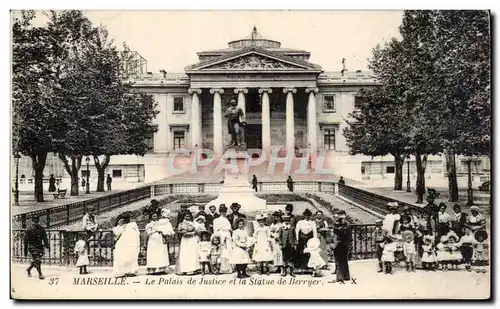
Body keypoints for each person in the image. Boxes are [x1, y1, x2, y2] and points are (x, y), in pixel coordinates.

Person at [112, 212, 140, 277]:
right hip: (122, 244)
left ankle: (131, 271)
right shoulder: (117, 228)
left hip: (131, 243)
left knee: (131, 257)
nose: (127, 220)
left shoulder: (133, 225)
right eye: (124, 219)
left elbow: (137, 233)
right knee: (121, 257)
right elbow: (117, 233)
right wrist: (121, 226)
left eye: (127, 219)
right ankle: (120, 272)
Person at [295, 209, 317, 273]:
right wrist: (297, 240)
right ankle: (301, 267)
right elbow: (297, 231)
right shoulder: (300, 222)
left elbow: (314, 232)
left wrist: (315, 240)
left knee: (309, 252)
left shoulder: (312, 222)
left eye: (308, 216)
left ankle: (309, 267)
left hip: (309, 239)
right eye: (306, 215)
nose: (307, 217)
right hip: (301, 239)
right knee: (301, 252)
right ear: (304, 215)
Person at [213, 205, 233, 274]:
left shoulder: (227, 219)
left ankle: (229, 268)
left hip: (227, 236)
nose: (224, 213)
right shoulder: (217, 220)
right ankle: (222, 268)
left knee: (228, 251)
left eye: (225, 212)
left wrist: (228, 236)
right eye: (222, 212)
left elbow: (229, 228)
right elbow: (216, 230)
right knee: (222, 252)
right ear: (220, 212)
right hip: (221, 236)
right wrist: (220, 237)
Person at [331, 213, 351, 281]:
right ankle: (346, 276)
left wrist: (333, 244)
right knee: (344, 260)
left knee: (339, 261)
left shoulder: (336, 226)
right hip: (345, 244)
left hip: (339, 244)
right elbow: (349, 236)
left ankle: (340, 277)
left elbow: (335, 236)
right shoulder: (347, 225)